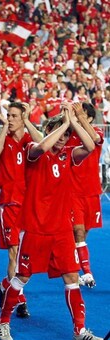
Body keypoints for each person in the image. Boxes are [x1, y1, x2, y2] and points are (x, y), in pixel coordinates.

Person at [0, 105, 103, 340]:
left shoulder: (68, 155)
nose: (63, 139)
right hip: (35, 228)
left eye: (66, 135)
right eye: (59, 133)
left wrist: (73, 122)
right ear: (48, 131)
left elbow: (89, 146)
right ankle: (3, 321)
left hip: (61, 229)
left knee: (72, 278)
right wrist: (64, 124)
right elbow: (43, 146)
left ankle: (79, 329)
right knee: (22, 277)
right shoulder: (33, 150)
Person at [0, 102, 43, 318]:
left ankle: (5, 286)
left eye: (14, 116)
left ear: (23, 118)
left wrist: (28, 121)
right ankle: (20, 299)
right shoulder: (4, 139)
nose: (10, 119)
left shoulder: (30, 140)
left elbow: (43, 143)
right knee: (14, 252)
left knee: (25, 254)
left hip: (29, 204)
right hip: (10, 203)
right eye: (8, 115)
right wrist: (4, 126)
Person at [69, 102, 103, 287]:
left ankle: (73, 263)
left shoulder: (96, 131)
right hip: (72, 192)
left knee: (83, 233)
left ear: (88, 117)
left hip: (91, 192)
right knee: (78, 230)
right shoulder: (68, 134)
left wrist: (80, 118)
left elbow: (95, 139)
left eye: (81, 114)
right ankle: (87, 273)